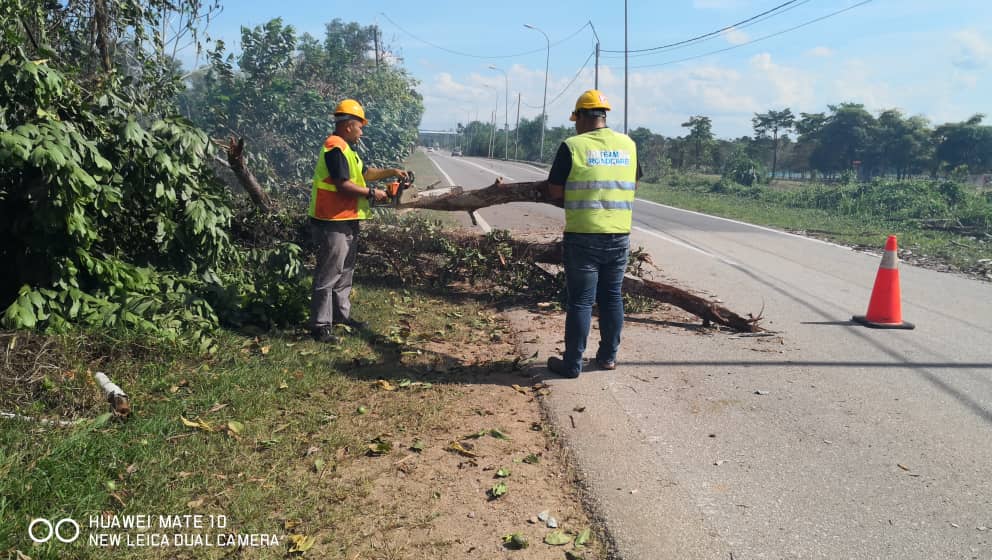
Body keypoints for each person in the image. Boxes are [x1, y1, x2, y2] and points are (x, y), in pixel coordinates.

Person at [545, 90, 639, 378]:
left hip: (583, 235)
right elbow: (633, 182)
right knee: (612, 297)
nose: (575, 126)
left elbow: (555, 191)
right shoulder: (628, 144)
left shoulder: (573, 146)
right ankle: (608, 358)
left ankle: (572, 364)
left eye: (576, 120)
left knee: (581, 301)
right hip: (619, 235)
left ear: (583, 117)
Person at [308, 99, 407, 343]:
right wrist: (373, 193)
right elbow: (342, 185)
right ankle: (320, 326)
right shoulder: (335, 147)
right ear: (349, 125)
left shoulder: (348, 150)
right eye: (360, 127)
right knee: (329, 273)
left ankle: (341, 316)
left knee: (345, 271)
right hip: (332, 219)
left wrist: (392, 171)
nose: (361, 132)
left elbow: (366, 173)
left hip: (348, 218)